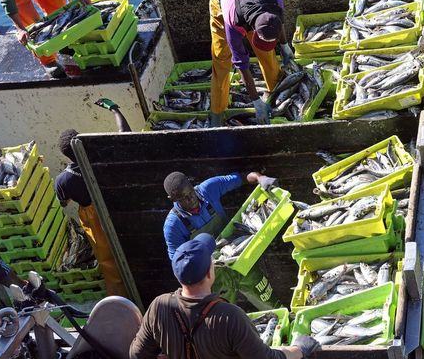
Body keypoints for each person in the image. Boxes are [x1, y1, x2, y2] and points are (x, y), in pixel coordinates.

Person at [129, 233, 320, 359]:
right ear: (209, 274)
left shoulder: (158, 307)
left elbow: (136, 355)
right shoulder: (229, 316)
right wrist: (299, 349)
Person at [163, 171, 280, 310]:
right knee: (225, 320)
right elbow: (178, 266)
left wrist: (261, 178)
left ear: (191, 183)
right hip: (214, 278)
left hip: (242, 261)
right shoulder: (173, 226)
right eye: (183, 199)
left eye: (190, 193)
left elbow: (242, 177)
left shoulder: (208, 189)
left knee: (270, 303)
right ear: (172, 199)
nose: (191, 200)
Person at [55, 98, 130, 297]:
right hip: (117, 208)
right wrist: (115, 109)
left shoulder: (63, 180)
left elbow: (64, 202)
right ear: (82, 143)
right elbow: (125, 136)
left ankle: (122, 298)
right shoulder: (103, 157)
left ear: (65, 155)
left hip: (95, 221)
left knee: (108, 262)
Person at [209, 0, 296, 126]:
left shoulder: (276, 0)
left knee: (267, 55)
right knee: (221, 60)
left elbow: (279, 23)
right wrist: (256, 101)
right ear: (254, 30)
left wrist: (285, 46)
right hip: (224, 1)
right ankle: (216, 112)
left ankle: (274, 95)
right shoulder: (233, 23)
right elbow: (241, 64)